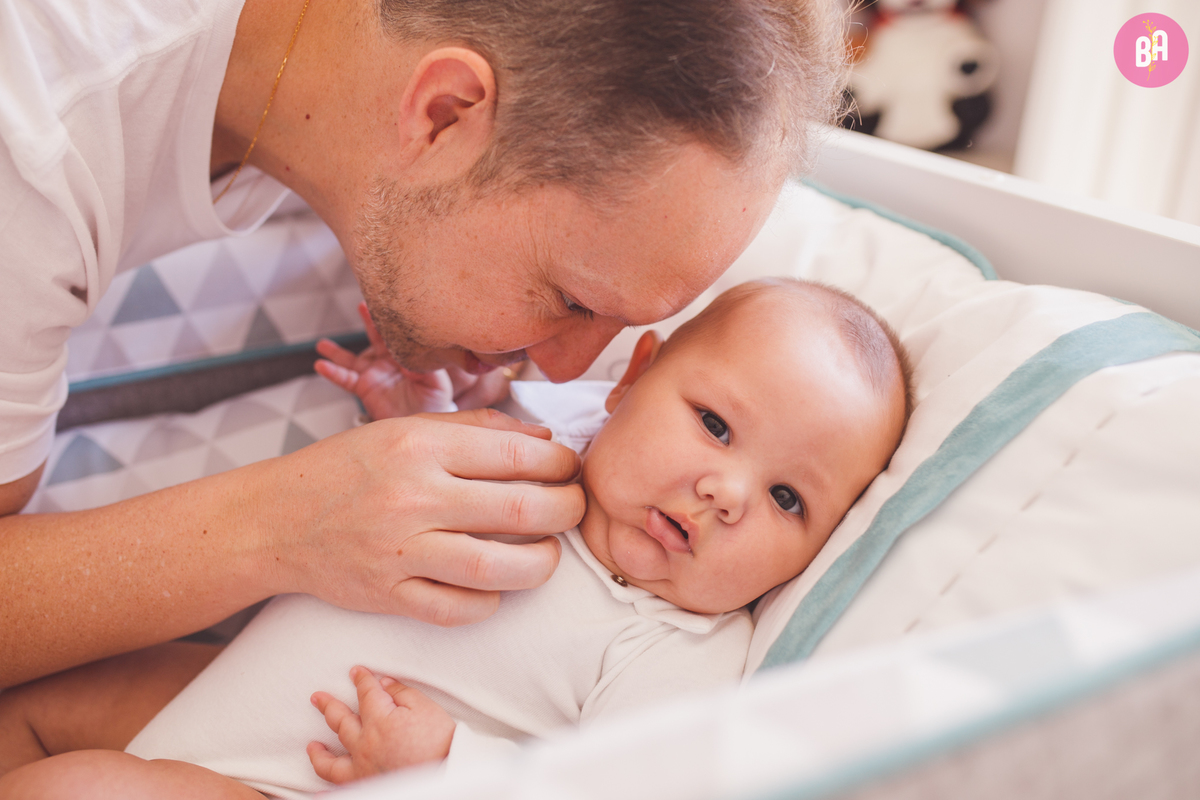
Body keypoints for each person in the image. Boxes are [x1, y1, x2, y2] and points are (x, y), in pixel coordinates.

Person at [0, 0, 849, 687]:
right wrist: (282, 526)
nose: (558, 363)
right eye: (570, 299)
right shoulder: (34, 142)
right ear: (443, 114)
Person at [0, 279, 914, 799]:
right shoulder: (536, 453)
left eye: (789, 498)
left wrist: (445, 767)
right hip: (231, 702)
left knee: (77, 792)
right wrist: (418, 415)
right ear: (631, 381)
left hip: (308, 783)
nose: (726, 492)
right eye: (715, 426)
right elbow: (403, 488)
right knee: (36, 697)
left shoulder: (674, 646)